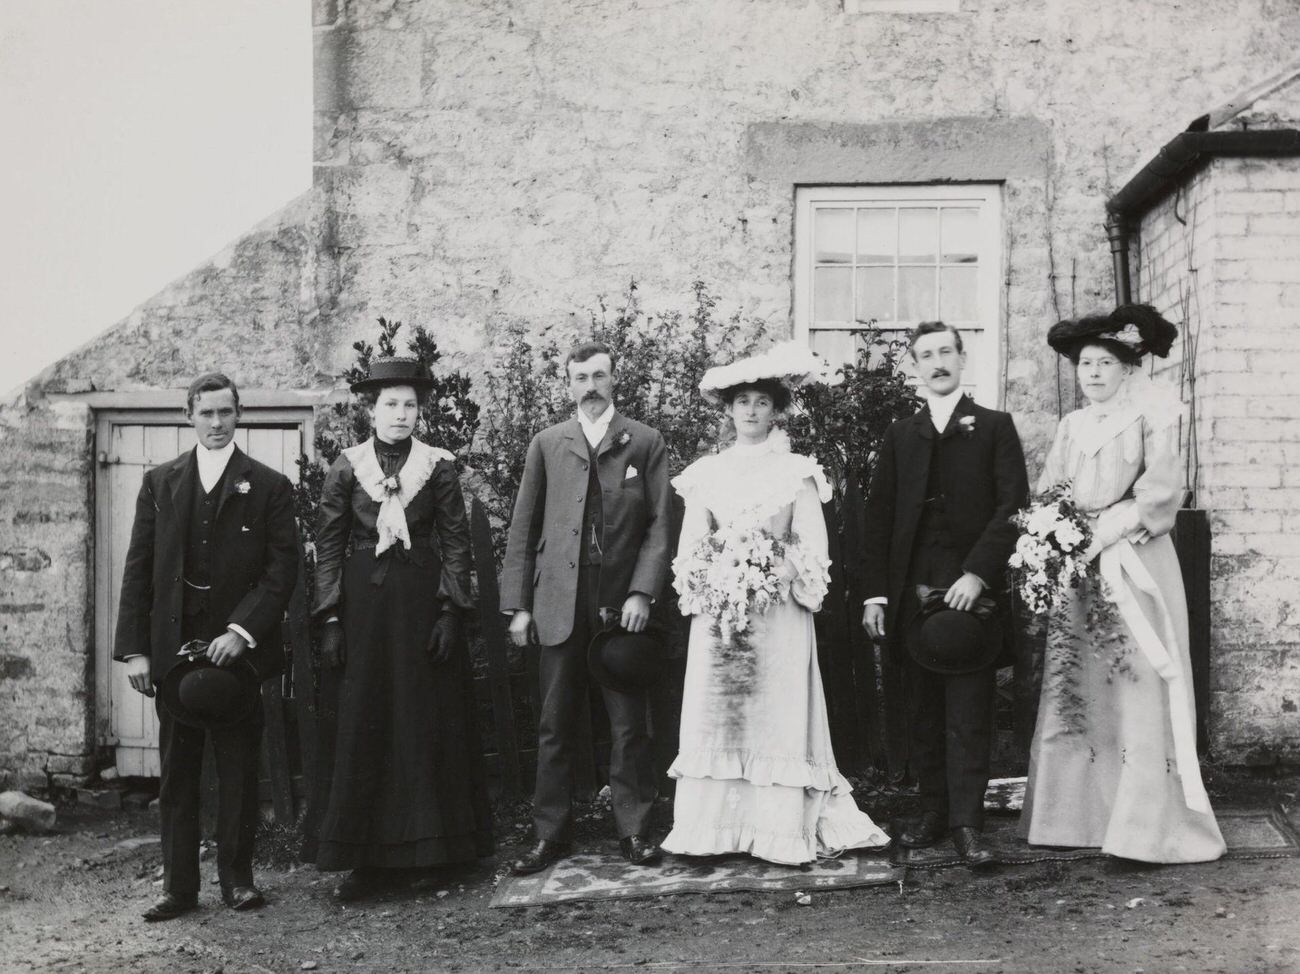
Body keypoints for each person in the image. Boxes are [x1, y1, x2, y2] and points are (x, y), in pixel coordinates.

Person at [660, 344, 890, 864]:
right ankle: (713, 831)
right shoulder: (706, 474)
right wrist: (720, 577)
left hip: (778, 614)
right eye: (742, 401)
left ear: (776, 410)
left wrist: (770, 572)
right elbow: (689, 551)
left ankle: (777, 831)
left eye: (762, 402)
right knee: (720, 717)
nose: (751, 411)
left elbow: (813, 548)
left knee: (776, 716)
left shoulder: (796, 473)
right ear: (728, 410)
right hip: (722, 618)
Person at [1019, 305, 1225, 863]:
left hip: (1133, 560)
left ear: (1127, 369)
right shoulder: (1072, 426)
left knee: (1133, 673)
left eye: (1104, 363)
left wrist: (1107, 529)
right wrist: (1055, 531)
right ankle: (1076, 817)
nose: (1092, 373)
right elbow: (1051, 488)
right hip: (1081, 565)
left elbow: (1160, 491)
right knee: (1078, 676)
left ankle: (1143, 823)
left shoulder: (1150, 418)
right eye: (1085, 363)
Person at [114, 372, 298, 920]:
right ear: (188, 416)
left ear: (239, 415)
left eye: (226, 413)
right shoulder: (160, 482)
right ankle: (178, 887)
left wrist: (241, 633)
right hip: (173, 652)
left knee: (239, 768)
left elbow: (280, 570)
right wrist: (136, 650)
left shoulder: (268, 486)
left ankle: (238, 880)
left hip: (236, 654)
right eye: (206, 413)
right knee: (178, 770)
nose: (217, 424)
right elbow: (139, 570)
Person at [311, 356, 493, 900]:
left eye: (410, 404)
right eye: (390, 404)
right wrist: (332, 618)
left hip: (419, 606)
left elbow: (457, 543)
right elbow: (328, 546)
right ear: (372, 409)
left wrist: (448, 612)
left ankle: (434, 850)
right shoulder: (348, 467)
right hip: (365, 609)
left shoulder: (437, 467)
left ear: (420, 411)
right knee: (367, 720)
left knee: (423, 719)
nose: (400, 414)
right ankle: (365, 860)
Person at [861, 322, 1028, 867]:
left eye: (945, 353)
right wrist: (876, 596)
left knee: (970, 711)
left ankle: (968, 824)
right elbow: (880, 517)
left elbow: (1012, 507)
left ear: (962, 358)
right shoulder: (900, 434)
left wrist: (978, 573)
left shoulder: (996, 427)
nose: (937, 362)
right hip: (913, 593)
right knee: (924, 710)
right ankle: (932, 812)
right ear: (915, 366)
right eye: (925, 355)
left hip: (968, 595)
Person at [501, 340, 671, 873]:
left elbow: (661, 524)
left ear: (615, 379)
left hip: (621, 605)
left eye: (600, 375)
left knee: (628, 723)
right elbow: (523, 526)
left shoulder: (643, 442)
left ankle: (634, 830)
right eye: (581, 377)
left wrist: (642, 592)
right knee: (554, 722)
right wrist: (519, 606)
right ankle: (550, 834)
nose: (590, 386)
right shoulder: (548, 443)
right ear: (569, 384)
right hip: (558, 600)